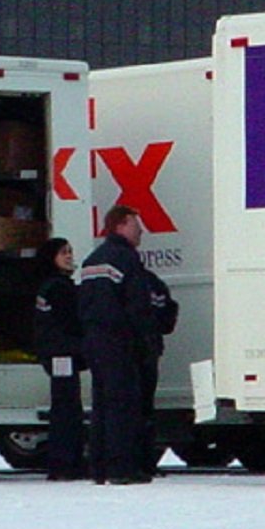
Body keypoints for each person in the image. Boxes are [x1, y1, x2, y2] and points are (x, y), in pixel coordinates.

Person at [78, 204, 159, 485]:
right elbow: (137, 306)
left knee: (101, 406)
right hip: (119, 342)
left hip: (94, 341)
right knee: (124, 406)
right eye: (137, 226)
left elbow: (85, 304)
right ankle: (122, 468)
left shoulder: (91, 261)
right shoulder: (126, 259)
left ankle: (99, 467)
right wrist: (144, 341)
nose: (142, 232)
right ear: (121, 225)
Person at [32, 237, 85, 480]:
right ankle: (65, 462)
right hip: (62, 354)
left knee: (65, 406)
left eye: (70, 251)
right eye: (64, 252)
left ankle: (64, 460)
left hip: (55, 353)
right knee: (67, 408)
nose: (69, 256)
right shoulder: (59, 288)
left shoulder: (47, 286)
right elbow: (71, 322)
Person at [138, 266, 178, 476]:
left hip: (129, 351)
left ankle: (135, 460)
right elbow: (167, 316)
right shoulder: (150, 281)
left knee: (127, 407)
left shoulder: (132, 280)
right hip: (149, 349)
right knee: (145, 407)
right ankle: (144, 460)